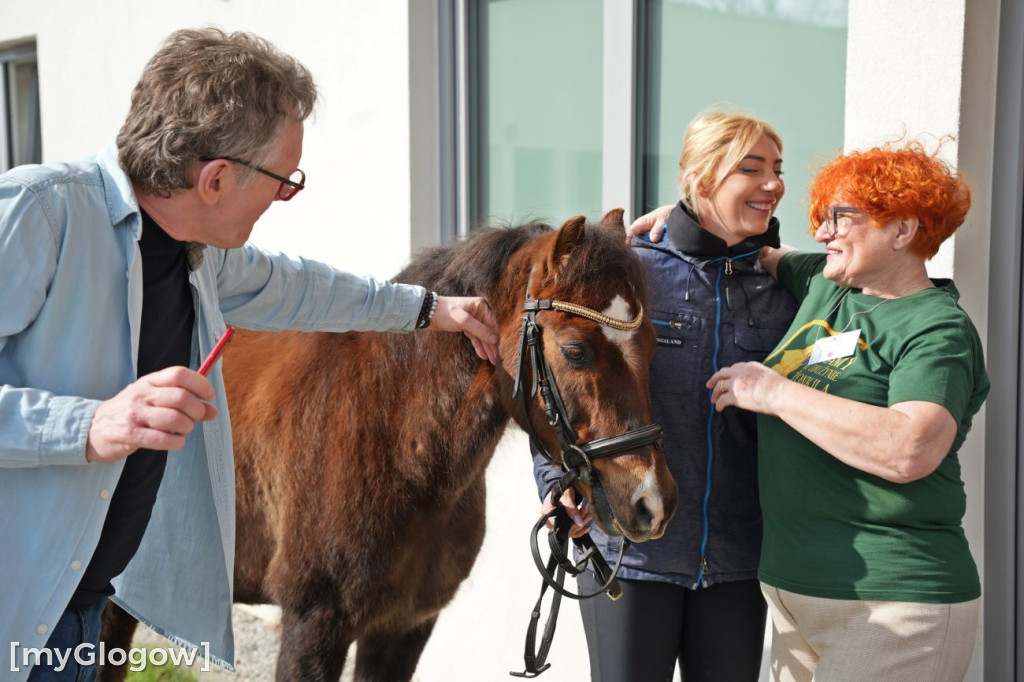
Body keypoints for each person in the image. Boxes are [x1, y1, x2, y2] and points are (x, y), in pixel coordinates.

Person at [0, 28, 498, 682]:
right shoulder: (41, 214)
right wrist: (90, 423)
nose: (285, 197)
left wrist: (432, 309)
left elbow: (304, 288)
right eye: (284, 181)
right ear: (215, 178)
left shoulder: (194, 256)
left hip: (78, 606)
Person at [706, 142, 988, 681]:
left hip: (893, 608)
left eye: (839, 217)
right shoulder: (826, 282)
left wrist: (774, 394)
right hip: (794, 601)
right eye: (822, 217)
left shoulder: (936, 328)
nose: (822, 232)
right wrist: (682, 215)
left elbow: (910, 448)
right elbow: (761, 249)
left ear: (902, 230)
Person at [534, 109, 797, 681]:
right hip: (628, 552)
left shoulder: (785, 287)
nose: (774, 184)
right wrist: (555, 482)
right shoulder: (632, 273)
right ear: (700, 180)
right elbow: (563, 383)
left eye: (778, 169)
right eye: (751, 168)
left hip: (739, 559)